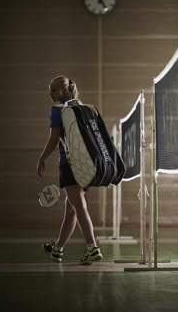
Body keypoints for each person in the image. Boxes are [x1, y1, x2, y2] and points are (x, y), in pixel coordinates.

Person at [36, 75, 103, 265]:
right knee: (71, 209)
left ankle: (92, 248)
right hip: (88, 165)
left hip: (70, 164)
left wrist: (42, 157)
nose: (51, 94)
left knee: (78, 205)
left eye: (54, 90)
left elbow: (54, 138)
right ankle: (58, 249)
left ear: (64, 91)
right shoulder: (84, 107)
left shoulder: (57, 110)